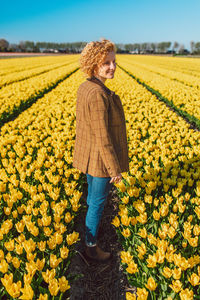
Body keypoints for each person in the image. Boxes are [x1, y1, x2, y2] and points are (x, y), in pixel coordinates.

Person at [72, 38, 129, 262]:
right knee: (97, 203)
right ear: (94, 64)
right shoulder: (98, 94)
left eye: (114, 62)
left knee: (92, 200)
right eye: (106, 63)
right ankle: (91, 247)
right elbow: (103, 136)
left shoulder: (86, 86)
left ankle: (90, 232)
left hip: (89, 157)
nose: (112, 67)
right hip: (99, 161)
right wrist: (114, 169)